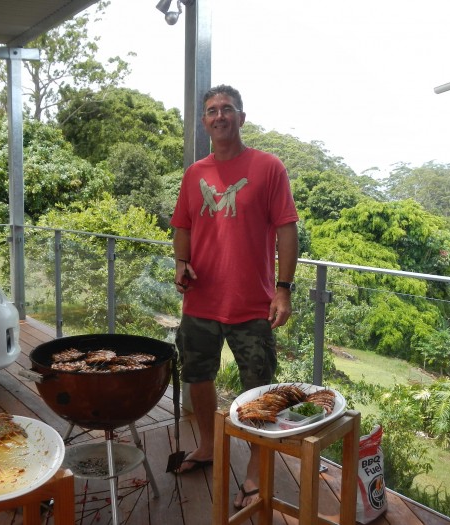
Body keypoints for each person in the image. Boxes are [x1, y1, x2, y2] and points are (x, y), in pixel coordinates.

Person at [170, 84, 299, 509]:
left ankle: (254, 468)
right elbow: (183, 225)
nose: (220, 116)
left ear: (241, 118)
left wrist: (284, 289)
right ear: (204, 122)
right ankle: (208, 445)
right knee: (197, 376)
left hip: (252, 304)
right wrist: (180, 263)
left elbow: (286, 229)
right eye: (211, 111)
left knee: (259, 389)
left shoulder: (268, 167)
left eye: (228, 109)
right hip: (201, 302)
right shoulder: (195, 174)